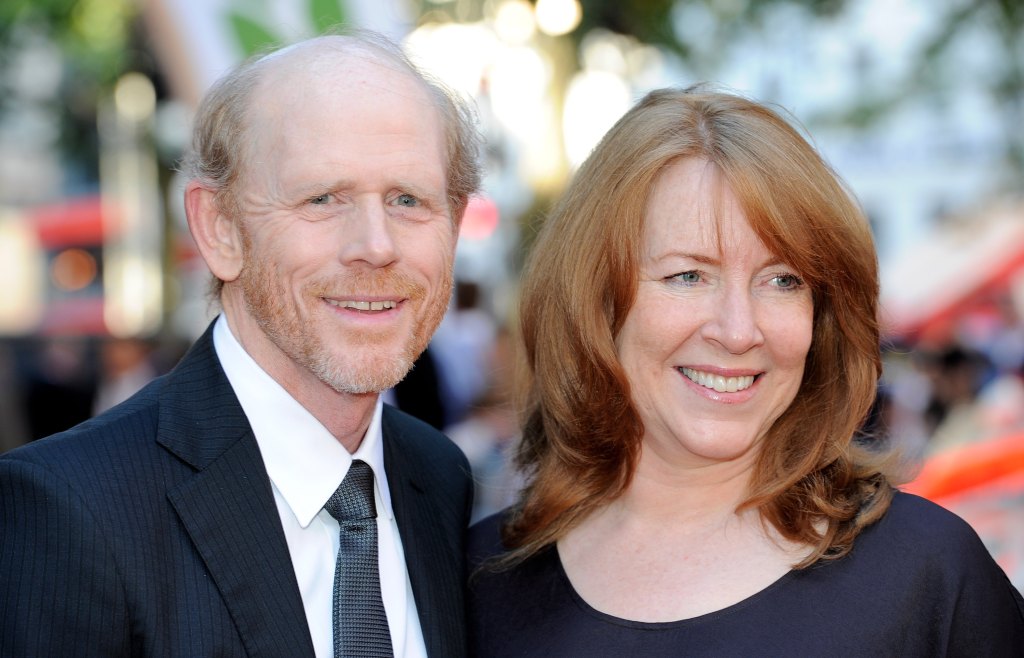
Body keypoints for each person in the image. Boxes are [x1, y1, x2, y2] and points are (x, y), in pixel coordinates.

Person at [467, 86, 1024, 655]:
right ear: (595, 302)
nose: (738, 331)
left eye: (783, 280)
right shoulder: (472, 587)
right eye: (688, 276)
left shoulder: (929, 578)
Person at [1, 30, 481, 657]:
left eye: (409, 199)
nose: (377, 244)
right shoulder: (70, 509)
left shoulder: (439, 478)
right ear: (220, 229)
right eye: (323, 198)